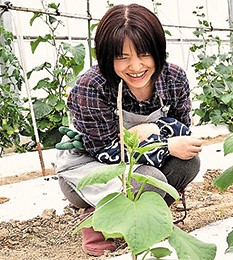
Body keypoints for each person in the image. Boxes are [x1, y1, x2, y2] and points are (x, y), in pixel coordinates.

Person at [55, 3, 203, 257]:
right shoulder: (92, 85)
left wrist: (152, 129)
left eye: (144, 54)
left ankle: (150, 220)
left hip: (140, 162)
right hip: (92, 168)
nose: (135, 67)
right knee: (150, 179)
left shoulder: (174, 78)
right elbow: (106, 152)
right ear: (106, 56)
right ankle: (97, 221)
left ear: (158, 50)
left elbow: (182, 131)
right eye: (122, 57)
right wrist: (164, 144)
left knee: (188, 163)